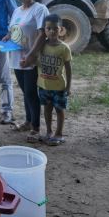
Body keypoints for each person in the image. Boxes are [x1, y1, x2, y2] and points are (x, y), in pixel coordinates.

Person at [4, 0, 49, 142]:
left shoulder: (39, 9)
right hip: (17, 57)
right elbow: (13, 30)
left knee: (31, 93)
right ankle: (28, 121)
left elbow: (42, 33)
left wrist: (31, 55)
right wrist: (7, 36)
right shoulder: (17, 10)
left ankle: (36, 128)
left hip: (31, 59)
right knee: (25, 92)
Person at [37, 14, 72, 146]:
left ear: (60, 29)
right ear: (44, 30)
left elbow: (68, 69)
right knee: (47, 109)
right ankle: (49, 132)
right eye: (48, 28)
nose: (52, 31)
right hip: (43, 85)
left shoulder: (64, 48)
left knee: (59, 110)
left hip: (59, 87)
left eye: (55, 28)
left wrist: (68, 87)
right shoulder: (41, 46)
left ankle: (59, 133)